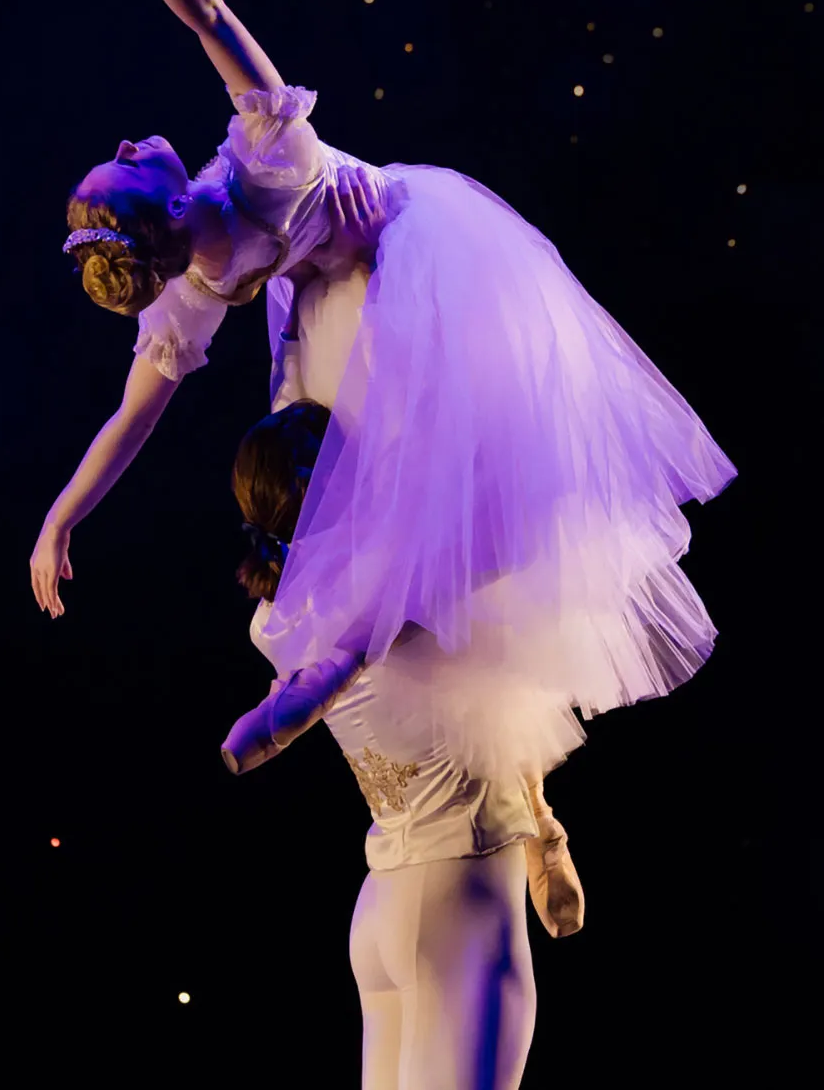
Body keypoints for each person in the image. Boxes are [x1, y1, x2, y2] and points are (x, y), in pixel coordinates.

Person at [33, 0, 733, 790]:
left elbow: (131, 419)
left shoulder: (192, 282)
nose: (121, 143)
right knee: (449, 498)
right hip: (403, 270)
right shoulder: (267, 151)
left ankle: (347, 682)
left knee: (406, 505)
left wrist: (61, 516)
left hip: (357, 304)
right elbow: (207, 13)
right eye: (122, 166)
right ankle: (370, 691)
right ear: (166, 202)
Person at [219, 402, 582, 1090]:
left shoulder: (279, 620)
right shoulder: (399, 583)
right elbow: (533, 504)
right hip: (458, 895)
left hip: (388, 903)